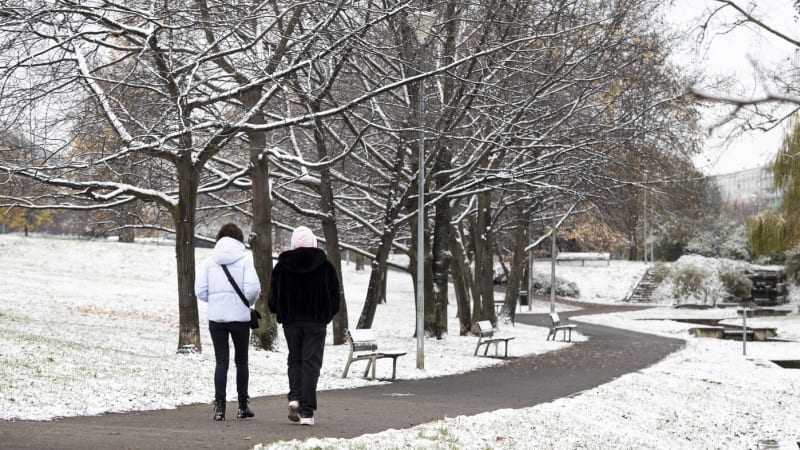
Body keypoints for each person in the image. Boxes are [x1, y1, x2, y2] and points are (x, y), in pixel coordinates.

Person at [268, 225, 340, 426]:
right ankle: (307, 412)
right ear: (313, 242)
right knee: (311, 364)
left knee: (295, 361)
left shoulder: (281, 267)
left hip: (291, 322)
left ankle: (294, 398)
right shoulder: (325, 266)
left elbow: (272, 300)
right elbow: (335, 297)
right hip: (316, 322)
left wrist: (282, 312)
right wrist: (326, 314)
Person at [195, 223, 261, 421]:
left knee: (221, 361)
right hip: (240, 319)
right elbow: (252, 289)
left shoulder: (210, 261)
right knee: (241, 361)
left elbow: (200, 291)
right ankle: (242, 406)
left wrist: (216, 300)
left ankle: (220, 408)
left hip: (217, 319)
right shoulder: (245, 260)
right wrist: (246, 303)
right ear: (239, 239)